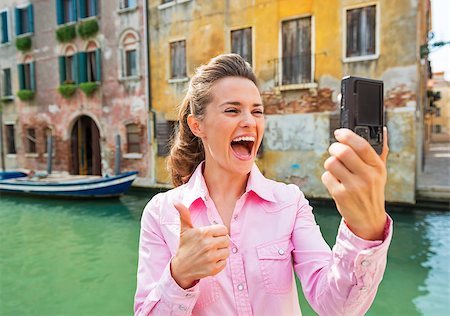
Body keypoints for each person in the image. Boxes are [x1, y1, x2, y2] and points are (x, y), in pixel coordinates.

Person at [134, 54, 392, 316]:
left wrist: (364, 230)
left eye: (257, 111)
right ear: (197, 125)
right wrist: (180, 275)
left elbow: (337, 308)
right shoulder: (161, 213)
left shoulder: (290, 202)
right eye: (232, 110)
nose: (250, 121)